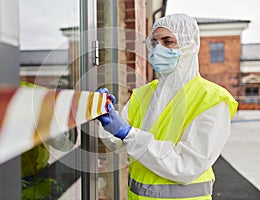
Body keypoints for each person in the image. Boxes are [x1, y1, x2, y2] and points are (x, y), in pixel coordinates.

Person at [96, 13, 238, 200]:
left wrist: (128, 133)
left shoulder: (212, 99)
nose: (158, 49)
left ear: (190, 45)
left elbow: (186, 166)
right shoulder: (143, 94)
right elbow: (114, 141)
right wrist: (105, 115)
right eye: (154, 42)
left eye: (168, 41)